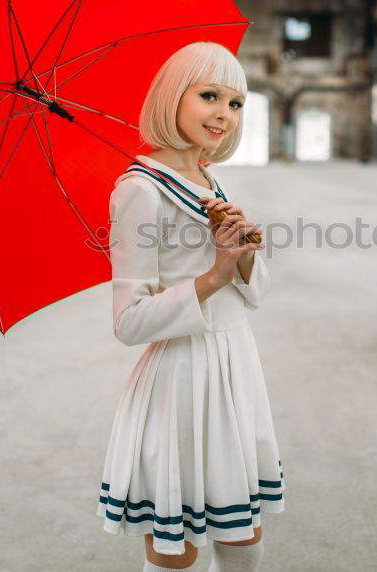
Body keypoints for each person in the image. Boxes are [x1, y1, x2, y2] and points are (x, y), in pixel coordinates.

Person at [96, 41, 285, 572]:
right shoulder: (138, 189)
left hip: (235, 367)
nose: (224, 114)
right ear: (171, 96)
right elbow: (129, 322)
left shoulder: (208, 181)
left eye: (236, 103)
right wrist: (212, 275)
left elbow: (255, 296)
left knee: (242, 532)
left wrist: (242, 254)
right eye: (209, 96)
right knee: (177, 545)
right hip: (182, 376)